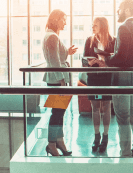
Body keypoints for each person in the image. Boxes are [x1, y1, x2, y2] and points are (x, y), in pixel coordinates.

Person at [92, 0, 133, 157]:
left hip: (122, 78)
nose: (118, 12)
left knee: (122, 115)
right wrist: (114, 56)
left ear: (128, 10)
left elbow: (122, 56)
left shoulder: (123, 27)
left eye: (120, 9)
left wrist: (106, 60)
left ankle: (125, 152)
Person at [42, 9, 77, 156]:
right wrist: (62, 82)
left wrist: (66, 52)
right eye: (63, 19)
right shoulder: (52, 37)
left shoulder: (52, 36)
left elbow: (55, 56)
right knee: (56, 114)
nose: (65, 22)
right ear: (56, 20)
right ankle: (51, 144)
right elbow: (55, 62)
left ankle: (59, 141)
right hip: (57, 81)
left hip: (56, 80)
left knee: (59, 113)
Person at [83, 17, 115, 153]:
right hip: (94, 77)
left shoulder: (113, 41)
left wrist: (106, 63)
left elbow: (116, 60)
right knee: (95, 107)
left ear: (102, 26)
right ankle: (96, 136)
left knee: (106, 106)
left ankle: (105, 137)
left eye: (95, 25)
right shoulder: (89, 41)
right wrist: (88, 63)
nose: (92, 27)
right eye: (92, 25)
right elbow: (84, 58)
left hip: (107, 78)